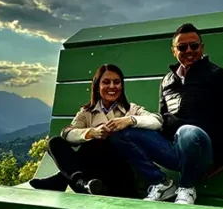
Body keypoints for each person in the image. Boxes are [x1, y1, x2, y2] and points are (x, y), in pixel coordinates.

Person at [109, 23, 223, 205]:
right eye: (182, 47)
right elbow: (162, 120)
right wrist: (130, 122)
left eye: (194, 46)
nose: (189, 51)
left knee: (188, 132)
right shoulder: (167, 81)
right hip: (174, 151)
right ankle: (161, 183)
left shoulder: (217, 76)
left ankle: (187, 188)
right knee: (120, 132)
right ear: (173, 51)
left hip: (203, 152)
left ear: (202, 47)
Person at [29, 64, 161, 198]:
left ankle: (62, 180)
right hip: (93, 177)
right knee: (55, 142)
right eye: (106, 82)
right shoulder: (87, 112)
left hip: (121, 175)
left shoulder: (131, 109)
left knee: (103, 143)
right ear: (97, 87)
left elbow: (157, 121)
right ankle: (82, 183)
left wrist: (129, 120)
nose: (112, 86)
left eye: (116, 82)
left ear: (122, 86)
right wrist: (92, 132)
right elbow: (67, 133)